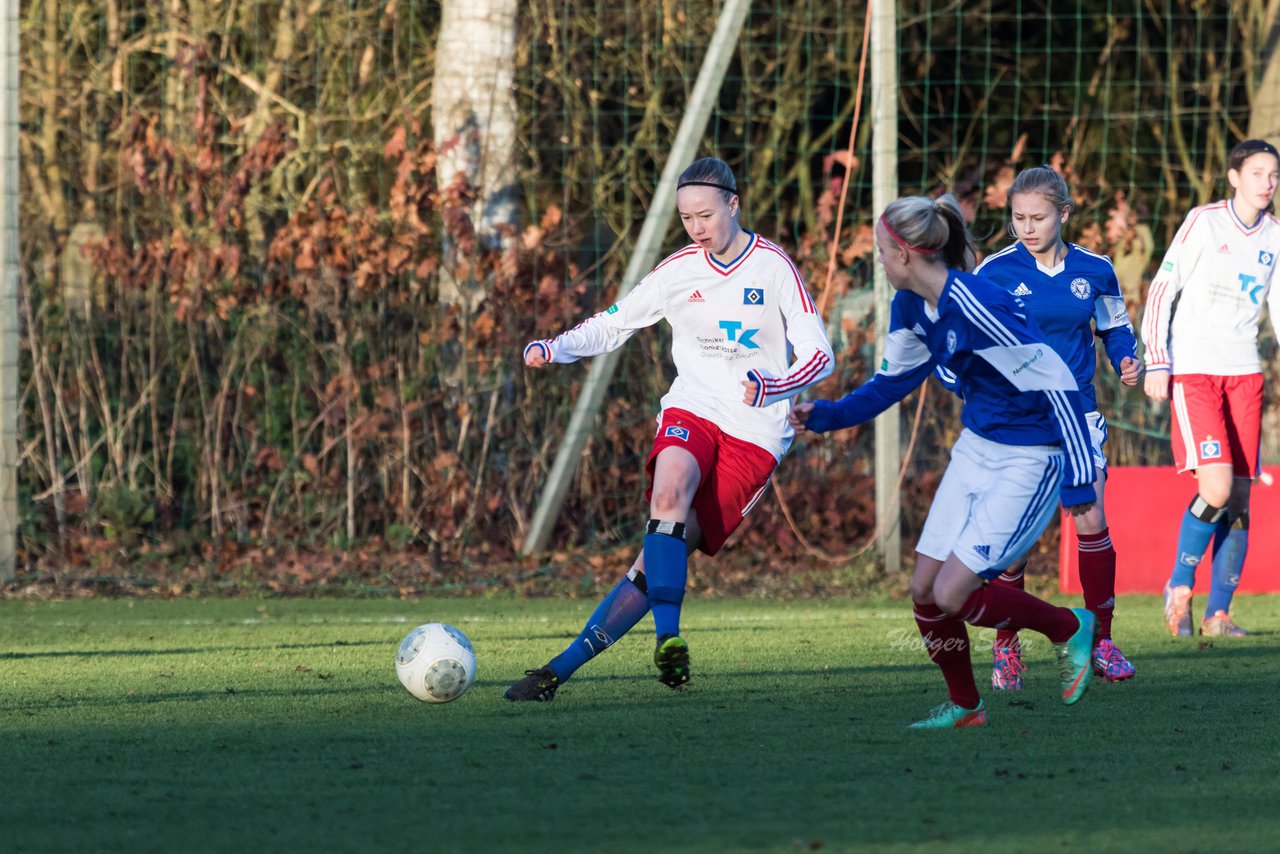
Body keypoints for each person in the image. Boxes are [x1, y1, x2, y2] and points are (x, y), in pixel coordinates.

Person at [504, 156, 835, 700]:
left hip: (755, 433)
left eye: (706, 214)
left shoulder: (774, 266)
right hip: (693, 406)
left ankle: (557, 672)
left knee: (657, 558)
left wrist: (772, 387)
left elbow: (820, 356)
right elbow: (614, 323)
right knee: (668, 493)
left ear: (734, 204)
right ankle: (669, 639)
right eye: (686, 219)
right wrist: (555, 347)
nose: (697, 228)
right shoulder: (679, 270)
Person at [791, 193, 1097, 729]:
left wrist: (1078, 481)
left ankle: (1069, 628)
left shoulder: (978, 303)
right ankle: (966, 707)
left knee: (953, 593)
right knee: (923, 590)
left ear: (906, 255)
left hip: (1032, 457)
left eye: (882, 252)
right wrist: (826, 415)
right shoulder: (910, 305)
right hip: (977, 449)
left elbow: (1057, 384)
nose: (878, 263)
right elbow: (893, 383)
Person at [966, 166, 1142, 691]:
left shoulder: (1096, 269)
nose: (1027, 227)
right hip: (1021, 419)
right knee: (1016, 542)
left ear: (1063, 214)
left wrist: (1127, 359)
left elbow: (1115, 327)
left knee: (1091, 521)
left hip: (1078, 414)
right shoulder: (994, 273)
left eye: (1038, 217)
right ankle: (1006, 649)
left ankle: (1101, 641)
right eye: (1018, 218)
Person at [1141, 138, 1280, 638]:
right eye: (1258, 172)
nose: (1267, 183)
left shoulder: (1275, 236)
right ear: (1234, 176)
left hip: (1245, 375)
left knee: (1240, 500)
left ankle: (1218, 614)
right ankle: (1179, 588)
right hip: (1196, 370)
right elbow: (1163, 287)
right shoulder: (1205, 220)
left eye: (1274, 175)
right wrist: (1156, 360)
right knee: (1216, 487)